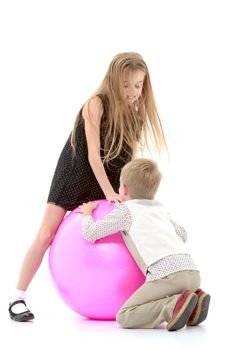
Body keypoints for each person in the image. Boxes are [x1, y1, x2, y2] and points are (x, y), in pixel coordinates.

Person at [8, 52, 168, 322]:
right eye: (126, 85)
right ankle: (17, 297)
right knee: (47, 233)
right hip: (77, 171)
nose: (132, 92)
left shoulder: (136, 114)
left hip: (112, 175)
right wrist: (108, 193)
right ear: (114, 81)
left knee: (137, 231)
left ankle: (158, 294)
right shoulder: (96, 103)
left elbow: (125, 159)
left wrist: (126, 193)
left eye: (138, 85)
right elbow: (94, 155)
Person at [79, 158, 210, 331]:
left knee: (125, 315)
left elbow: (90, 233)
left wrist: (87, 214)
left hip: (167, 276)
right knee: (171, 288)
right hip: (193, 273)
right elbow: (182, 235)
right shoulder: (160, 209)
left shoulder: (125, 211)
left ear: (123, 189)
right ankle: (195, 299)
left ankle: (172, 306)